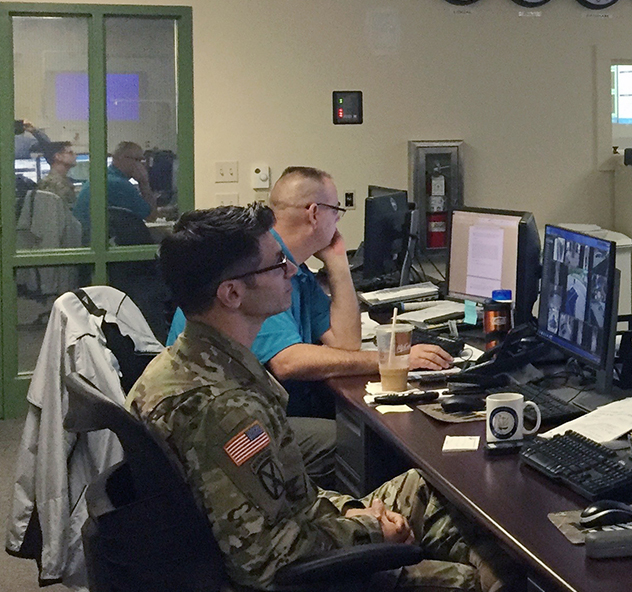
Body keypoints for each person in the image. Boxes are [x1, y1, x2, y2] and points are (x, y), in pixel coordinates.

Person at [128, 205, 531, 592]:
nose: (293, 271)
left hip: (234, 573)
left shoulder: (196, 366)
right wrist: (369, 530)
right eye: (278, 265)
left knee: (422, 486)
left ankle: (490, 585)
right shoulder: (222, 409)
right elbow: (272, 557)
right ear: (232, 294)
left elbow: (272, 503)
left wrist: (354, 514)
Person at [165, 167, 451, 483]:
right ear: (314, 213)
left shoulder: (289, 270)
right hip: (232, 421)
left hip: (256, 409)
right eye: (337, 212)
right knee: (365, 441)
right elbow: (289, 362)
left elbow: (345, 344)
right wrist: (394, 360)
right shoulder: (258, 273)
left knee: (364, 429)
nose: (286, 269)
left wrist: (339, 263)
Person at [73, 141, 158, 239]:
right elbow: (151, 217)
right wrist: (144, 182)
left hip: (87, 239)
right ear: (119, 158)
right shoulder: (119, 184)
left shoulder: (104, 178)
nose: (141, 165)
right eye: (137, 160)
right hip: (98, 243)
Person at [36, 141, 78, 209]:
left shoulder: (63, 181)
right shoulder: (51, 185)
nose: (75, 155)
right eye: (70, 153)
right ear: (58, 157)